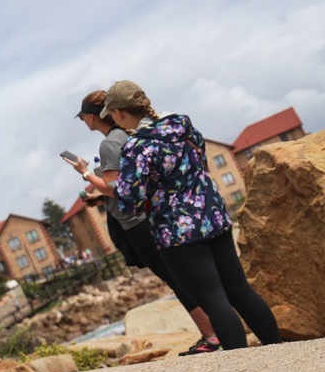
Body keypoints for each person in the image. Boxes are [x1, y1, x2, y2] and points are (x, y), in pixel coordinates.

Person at [102, 80, 281, 351]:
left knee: (214, 300)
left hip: (177, 231)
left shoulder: (136, 147)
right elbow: (200, 159)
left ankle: (245, 369)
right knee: (240, 291)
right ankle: (280, 350)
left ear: (118, 113)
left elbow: (130, 202)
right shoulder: (181, 125)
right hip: (212, 215)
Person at [65, 89, 221, 356]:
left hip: (136, 222)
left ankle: (212, 335)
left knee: (175, 279)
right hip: (154, 213)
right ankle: (218, 329)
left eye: (82, 117)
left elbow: (117, 189)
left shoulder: (109, 144)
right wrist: (100, 199)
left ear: (92, 117)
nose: (83, 122)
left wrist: (85, 174)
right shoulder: (129, 134)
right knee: (184, 274)